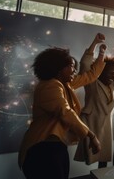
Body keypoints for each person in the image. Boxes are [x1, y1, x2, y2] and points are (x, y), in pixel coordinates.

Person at [18, 33, 107, 179]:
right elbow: (65, 112)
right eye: (71, 66)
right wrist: (91, 135)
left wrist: (99, 48)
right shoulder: (50, 86)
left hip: (55, 147)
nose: (75, 70)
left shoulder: (65, 84)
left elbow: (91, 75)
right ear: (58, 68)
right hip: (42, 150)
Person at [74, 36, 114, 168]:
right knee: (92, 154)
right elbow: (85, 64)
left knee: (103, 158)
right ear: (101, 72)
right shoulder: (92, 82)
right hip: (91, 123)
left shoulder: (113, 86)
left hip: (106, 125)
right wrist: (95, 43)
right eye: (111, 72)